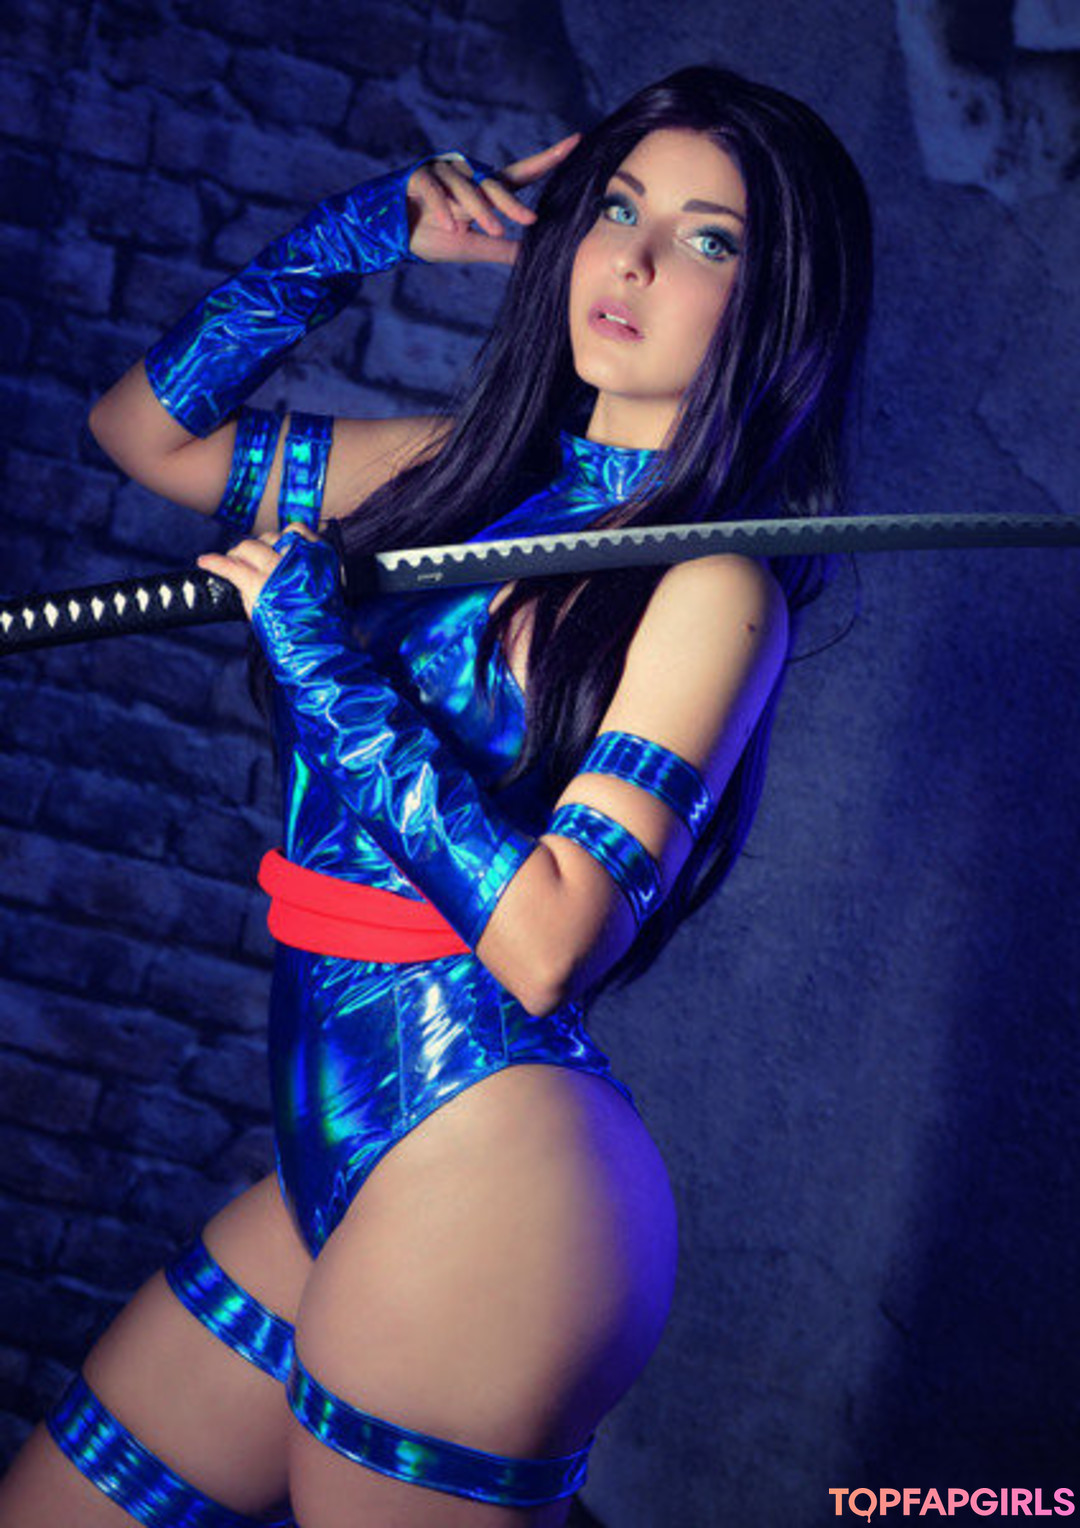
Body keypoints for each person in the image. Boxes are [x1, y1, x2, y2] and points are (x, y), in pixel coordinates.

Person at [0, 63, 872, 1528]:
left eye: (708, 239)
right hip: (333, 1151)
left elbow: (548, 941)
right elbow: (147, 432)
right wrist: (360, 235)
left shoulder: (713, 586)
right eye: (619, 210)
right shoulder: (452, 476)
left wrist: (324, 669)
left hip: (492, 1174)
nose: (634, 261)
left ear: (775, 305)